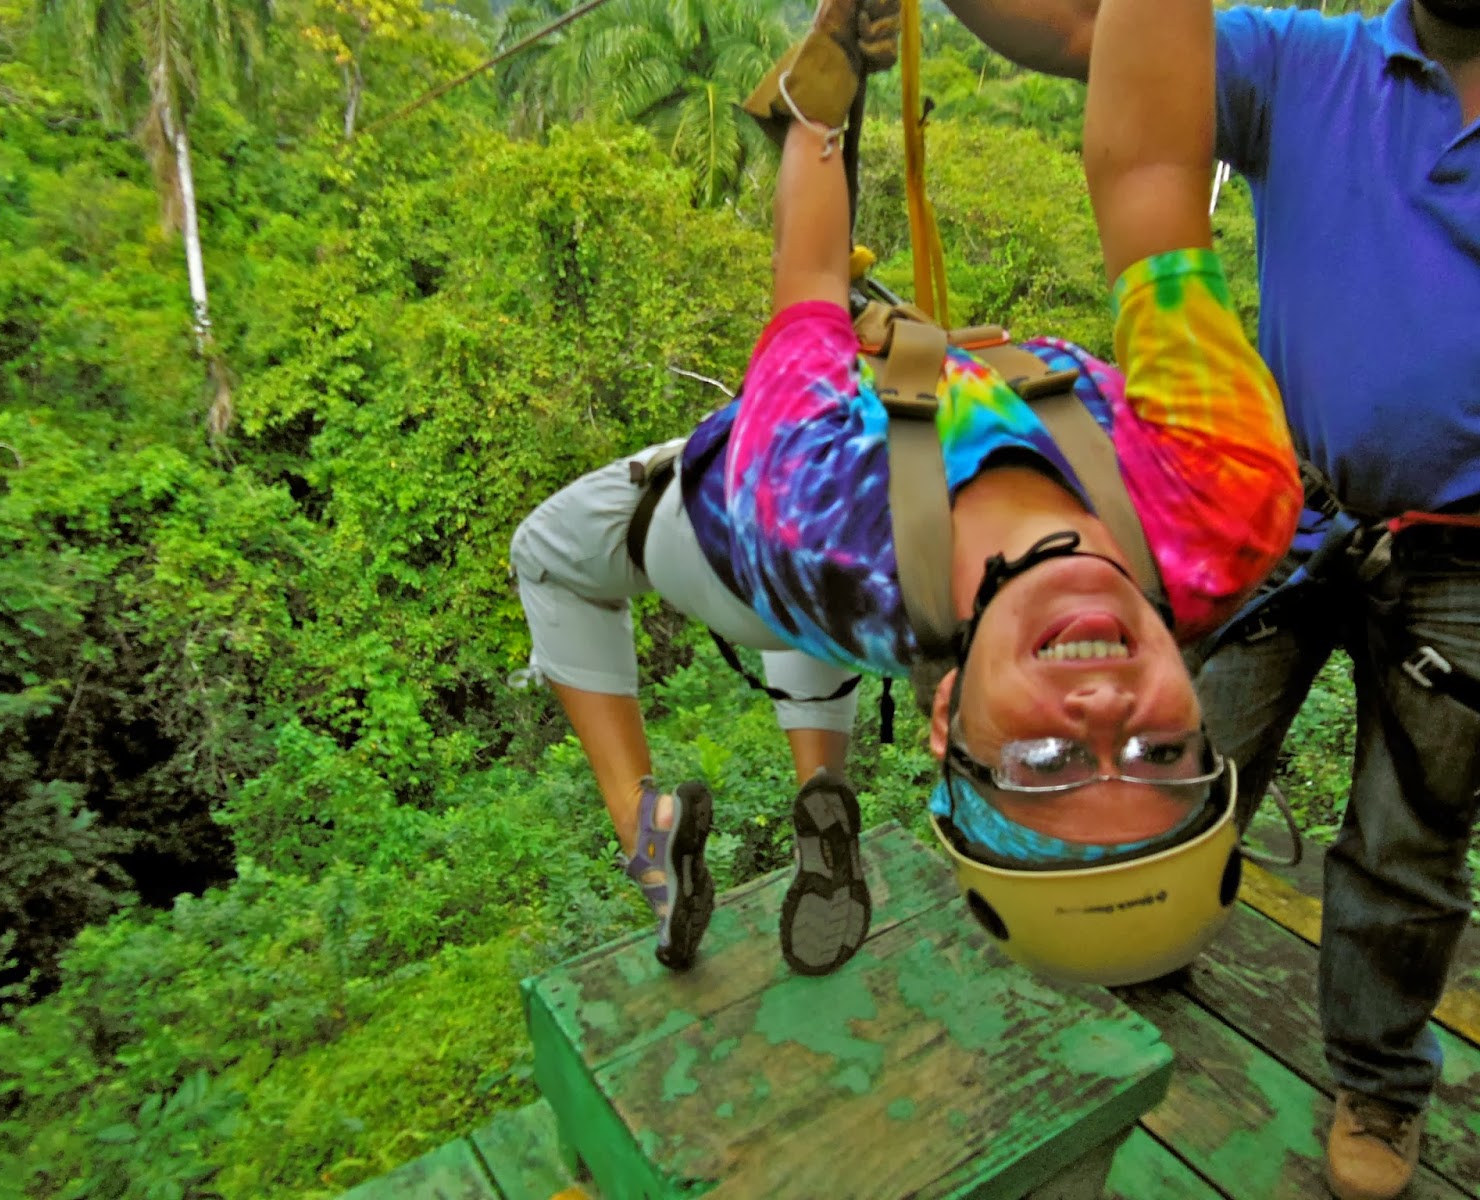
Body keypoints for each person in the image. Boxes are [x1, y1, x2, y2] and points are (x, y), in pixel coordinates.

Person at [508, 0, 1300, 989]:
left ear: (950, 723)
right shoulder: (1224, 502)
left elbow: (801, 282)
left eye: (1047, 764)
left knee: (550, 551)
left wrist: (823, 94)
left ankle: (642, 833)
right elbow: (1152, 173)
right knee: (843, 616)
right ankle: (823, 799)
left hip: (730, 547)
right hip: (877, 547)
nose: (1103, 705)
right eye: (1161, 747)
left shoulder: (803, 510)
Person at [932, 1, 1480, 1196]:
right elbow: (1085, 30)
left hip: (1468, 560)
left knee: (1409, 838)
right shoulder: (1308, 62)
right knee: (1180, 741)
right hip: (1288, 510)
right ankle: (1151, 928)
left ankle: (1380, 1081)